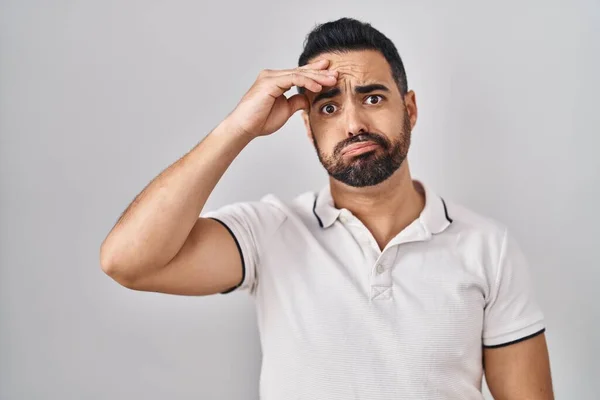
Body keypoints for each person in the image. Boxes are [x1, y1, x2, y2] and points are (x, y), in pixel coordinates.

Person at [100, 17, 554, 400]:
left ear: (410, 109)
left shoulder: (486, 247)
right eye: (329, 107)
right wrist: (239, 127)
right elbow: (127, 262)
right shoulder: (269, 232)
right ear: (308, 128)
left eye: (372, 99)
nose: (354, 123)